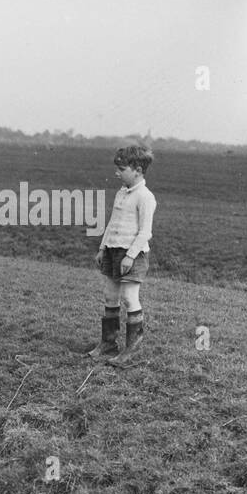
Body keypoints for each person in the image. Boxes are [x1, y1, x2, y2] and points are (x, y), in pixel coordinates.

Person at [89, 146, 156, 364]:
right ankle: (108, 344)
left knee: (129, 297)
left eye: (121, 169)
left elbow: (145, 232)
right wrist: (102, 248)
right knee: (110, 295)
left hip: (132, 255)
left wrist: (130, 256)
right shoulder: (121, 192)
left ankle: (132, 351)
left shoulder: (145, 197)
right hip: (112, 250)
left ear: (137, 170)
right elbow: (112, 223)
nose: (117, 173)